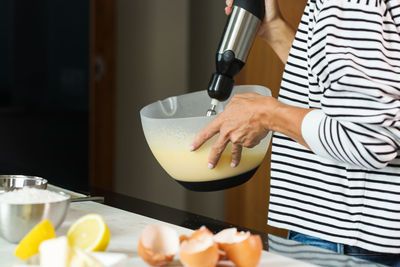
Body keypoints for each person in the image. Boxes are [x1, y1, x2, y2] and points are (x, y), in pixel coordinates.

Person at [190, 0, 400, 265]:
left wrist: (267, 115)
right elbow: (343, 95)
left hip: (347, 242)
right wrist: (275, 29)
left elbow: (369, 139)